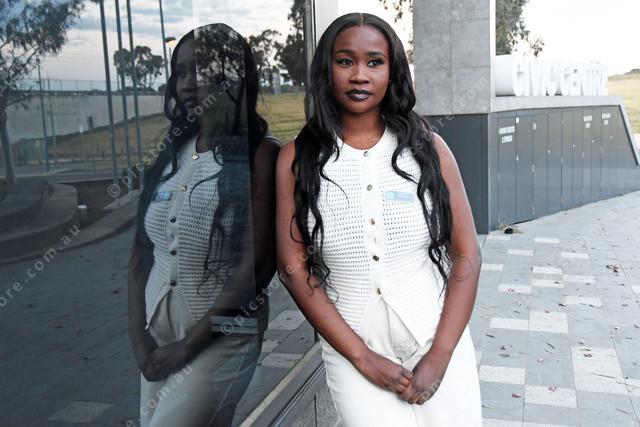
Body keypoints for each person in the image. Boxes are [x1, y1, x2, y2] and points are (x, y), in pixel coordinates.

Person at [275, 13, 482, 426]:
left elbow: (467, 254)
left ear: (392, 71)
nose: (359, 75)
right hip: (355, 354)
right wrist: (363, 358)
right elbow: (293, 269)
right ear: (326, 69)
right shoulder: (297, 158)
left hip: (436, 339)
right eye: (345, 61)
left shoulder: (429, 148)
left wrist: (441, 356)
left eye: (374, 62)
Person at [127, 24, 280, 426]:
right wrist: (137, 333)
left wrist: (187, 347)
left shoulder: (260, 155)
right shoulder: (173, 151)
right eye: (180, 73)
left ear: (233, 75)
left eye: (201, 70)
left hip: (221, 339)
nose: (188, 84)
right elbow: (141, 251)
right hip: (159, 337)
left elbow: (256, 267)